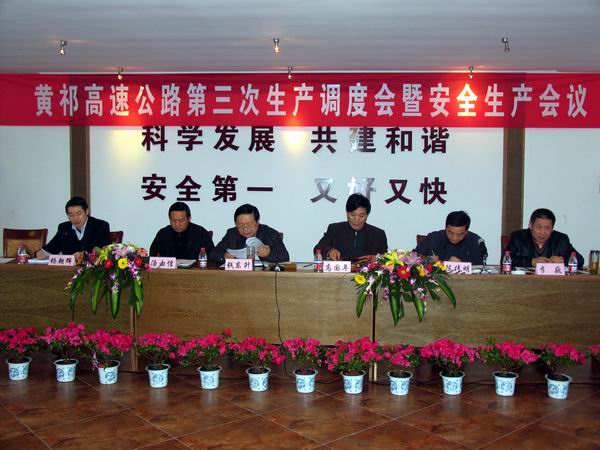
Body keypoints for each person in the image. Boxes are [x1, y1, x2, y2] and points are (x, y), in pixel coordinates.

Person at [314, 193, 387, 261]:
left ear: (367, 215)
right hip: (340, 270)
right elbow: (318, 248)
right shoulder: (335, 229)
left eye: (361, 216)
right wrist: (330, 251)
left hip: (367, 270)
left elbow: (386, 259)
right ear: (347, 213)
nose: (356, 219)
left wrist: (377, 258)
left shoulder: (378, 234)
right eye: (353, 215)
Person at [209, 204, 289, 264]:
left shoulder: (269, 233)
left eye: (249, 224)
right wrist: (224, 257)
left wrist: (268, 255)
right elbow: (213, 254)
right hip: (237, 275)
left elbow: (285, 257)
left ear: (257, 222)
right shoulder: (231, 233)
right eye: (240, 225)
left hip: (263, 276)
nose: (245, 228)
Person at [35, 196, 111, 259]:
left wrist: (85, 255)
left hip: (92, 270)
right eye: (71, 215)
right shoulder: (64, 228)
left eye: (79, 214)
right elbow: (51, 248)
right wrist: (39, 253)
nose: (75, 218)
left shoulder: (100, 226)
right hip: (68, 270)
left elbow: (105, 252)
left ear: (87, 211)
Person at [505, 208, 583, 268]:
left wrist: (563, 260)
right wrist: (532, 261)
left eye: (547, 228)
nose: (542, 232)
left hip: (554, 281)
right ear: (530, 225)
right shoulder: (519, 238)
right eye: (538, 227)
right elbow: (506, 259)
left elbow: (580, 260)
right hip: (526, 281)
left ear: (552, 228)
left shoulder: (561, 239)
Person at [414, 211, 486, 265]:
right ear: (445, 228)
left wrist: (462, 264)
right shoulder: (434, 238)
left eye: (460, 234)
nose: (454, 238)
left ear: (466, 232)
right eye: (450, 233)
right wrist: (428, 260)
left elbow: (480, 265)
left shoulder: (475, 241)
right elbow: (413, 257)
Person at [150, 202, 214, 259]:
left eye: (181, 220)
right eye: (173, 220)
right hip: (169, 268)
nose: (177, 224)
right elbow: (153, 255)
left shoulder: (200, 233)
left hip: (194, 268)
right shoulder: (163, 234)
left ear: (189, 218)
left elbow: (211, 257)